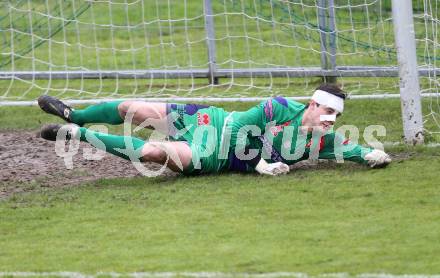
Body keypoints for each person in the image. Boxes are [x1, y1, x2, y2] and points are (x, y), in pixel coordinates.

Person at [37, 83, 391, 176]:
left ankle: (76, 136)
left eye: (336, 115)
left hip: (213, 156)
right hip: (211, 121)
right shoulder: (278, 108)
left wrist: (373, 155)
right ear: (312, 104)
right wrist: (259, 164)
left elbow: (351, 150)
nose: (330, 119)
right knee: (134, 109)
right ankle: (77, 116)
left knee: (152, 153)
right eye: (327, 110)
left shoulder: (322, 140)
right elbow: (236, 127)